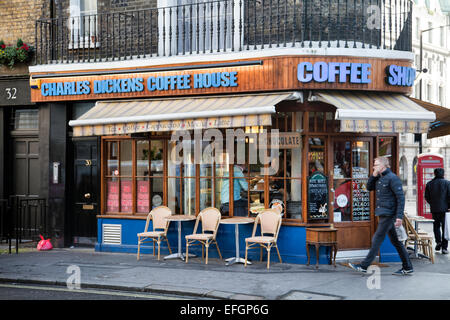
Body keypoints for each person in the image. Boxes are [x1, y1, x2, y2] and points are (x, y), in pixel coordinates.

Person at [349, 156, 414, 276]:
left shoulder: (393, 178)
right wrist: (373, 175)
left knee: (377, 239)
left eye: (376, 164)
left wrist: (399, 216)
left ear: (383, 165)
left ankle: (364, 266)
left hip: (389, 214)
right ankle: (408, 267)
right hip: (383, 212)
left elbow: (401, 198)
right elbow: (368, 187)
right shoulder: (379, 177)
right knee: (396, 241)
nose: (374, 166)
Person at [425, 168, 450, 255]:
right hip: (445, 209)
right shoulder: (447, 183)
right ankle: (444, 247)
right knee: (445, 228)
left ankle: (438, 242)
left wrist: (432, 203)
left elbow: (427, 197)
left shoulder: (429, 184)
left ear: (434, 174)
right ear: (443, 174)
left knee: (436, 226)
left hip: (434, 209)